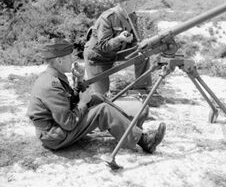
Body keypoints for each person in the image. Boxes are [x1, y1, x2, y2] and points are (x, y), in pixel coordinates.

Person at [27, 38, 166, 153]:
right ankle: (144, 141)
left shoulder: (54, 76)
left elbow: (69, 99)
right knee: (102, 110)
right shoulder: (51, 84)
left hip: (58, 128)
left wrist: (80, 80)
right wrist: (82, 104)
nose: (73, 59)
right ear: (59, 60)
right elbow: (68, 123)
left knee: (97, 98)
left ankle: (130, 124)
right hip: (55, 136)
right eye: (69, 57)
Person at [83, 0, 163, 106]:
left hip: (116, 53)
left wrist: (136, 43)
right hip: (98, 58)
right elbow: (103, 46)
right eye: (135, 2)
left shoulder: (132, 16)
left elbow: (136, 42)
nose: (137, 5)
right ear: (125, 3)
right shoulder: (107, 17)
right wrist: (119, 38)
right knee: (101, 99)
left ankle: (142, 89)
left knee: (143, 53)